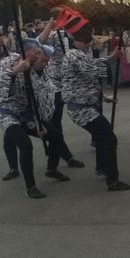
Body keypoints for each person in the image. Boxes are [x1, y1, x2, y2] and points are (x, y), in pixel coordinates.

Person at [61, 24, 130, 192]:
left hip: (87, 106)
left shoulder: (80, 54)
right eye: (90, 40)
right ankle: (112, 180)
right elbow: (91, 70)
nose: (92, 43)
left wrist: (103, 97)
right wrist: (110, 59)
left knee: (102, 136)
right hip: (81, 109)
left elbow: (89, 74)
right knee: (109, 137)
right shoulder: (73, 55)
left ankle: (102, 167)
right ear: (84, 41)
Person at [0, 38, 70, 199]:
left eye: (40, 54)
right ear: (26, 52)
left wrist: (40, 122)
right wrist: (15, 71)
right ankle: (31, 187)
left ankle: (51, 169)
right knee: (25, 145)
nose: (39, 58)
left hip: (30, 114)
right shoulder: (8, 61)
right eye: (36, 54)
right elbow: (1, 89)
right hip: (9, 114)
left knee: (56, 136)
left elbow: (41, 96)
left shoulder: (38, 68)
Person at [37, 19, 84, 169]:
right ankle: (63, 158)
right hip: (56, 84)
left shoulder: (74, 35)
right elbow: (39, 41)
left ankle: (97, 141)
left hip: (73, 81)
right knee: (55, 124)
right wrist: (50, 24)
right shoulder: (54, 35)